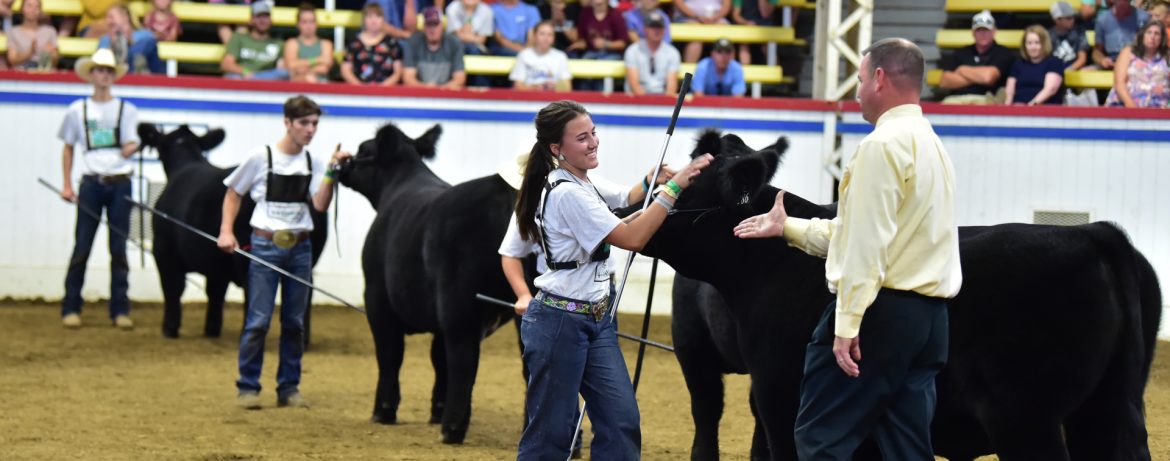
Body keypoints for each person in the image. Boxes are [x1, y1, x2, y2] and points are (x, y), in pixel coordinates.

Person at [734, 38, 962, 459]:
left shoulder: (881, 146)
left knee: (821, 440)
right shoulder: (931, 144)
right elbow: (864, 233)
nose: (856, 91)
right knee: (906, 447)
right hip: (928, 322)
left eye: (859, 79)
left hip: (880, 316)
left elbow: (865, 245)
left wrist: (847, 323)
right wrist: (787, 227)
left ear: (879, 78)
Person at [513, 99, 711, 460]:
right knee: (551, 434)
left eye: (593, 133)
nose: (593, 142)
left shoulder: (581, 182)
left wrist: (657, 188)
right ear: (557, 149)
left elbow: (621, 216)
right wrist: (672, 190)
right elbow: (632, 238)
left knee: (621, 421)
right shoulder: (567, 192)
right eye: (582, 138)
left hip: (596, 319)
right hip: (560, 322)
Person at [217, 95, 351, 410]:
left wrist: (332, 173)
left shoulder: (313, 162)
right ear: (287, 122)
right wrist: (226, 230)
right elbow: (233, 192)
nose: (310, 130)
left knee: (295, 322)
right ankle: (248, 386)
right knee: (258, 320)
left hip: (300, 247)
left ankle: (288, 387)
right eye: (304, 123)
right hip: (265, 245)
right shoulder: (260, 157)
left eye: (315, 123)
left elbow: (320, 204)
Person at [56, 48, 139, 331]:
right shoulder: (76, 110)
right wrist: (67, 184)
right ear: (91, 75)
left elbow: (131, 142)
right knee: (82, 246)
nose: (104, 75)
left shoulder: (127, 110)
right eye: (100, 70)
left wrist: (131, 147)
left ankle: (120, 309)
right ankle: (71, 306)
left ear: (113, 76)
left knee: (119, 249)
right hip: (91, 182)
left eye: (108, 71)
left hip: (120, 182)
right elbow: (68, 148)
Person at [938, 10, 1015, 104]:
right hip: (957, 99)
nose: (983, 34)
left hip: (987, 99)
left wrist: (962, 69)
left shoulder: (1003, 52)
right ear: (973, 32)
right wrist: (978, 77)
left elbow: (988, 77)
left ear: (994, 31)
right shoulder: (961, 52)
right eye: (979, 30)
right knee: (946, 104)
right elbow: (944, 81)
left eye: (986, 30)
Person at [1106, 19, 1170, 108]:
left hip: (1160, 106)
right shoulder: (1128, 52)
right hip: (1127, 104)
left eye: (1157, 34)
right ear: (1142, 35)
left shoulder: (1167, 56)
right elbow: (1119, 83)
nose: (1152, 37)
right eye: (1149, 32)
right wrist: (1130, 105)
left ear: (1162, 38)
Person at [403, 6, 467, 89]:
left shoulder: (454, 43)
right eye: (429, 25)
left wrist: (439, 90)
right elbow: (408, 78)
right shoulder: (413, 43)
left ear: (442, 26)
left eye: (436, 24)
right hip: (420, 94)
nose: (432, 29)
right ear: (424, 27)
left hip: (446, 94)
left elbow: (460, 79)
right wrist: (426, 89)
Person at [221, 1, 287, 80]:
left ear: (271, 20)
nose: (262, 20)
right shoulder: (239, 38)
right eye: (258, 16)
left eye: (266, 16)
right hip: (242, 77)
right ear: (251, 20)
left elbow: (281, 69)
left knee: (284, 74)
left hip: (266, 78)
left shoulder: (278, 43)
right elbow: (226, 64)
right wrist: (245, 72)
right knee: (233, 77)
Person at [341, 2, 403, 86]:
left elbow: (398, 72)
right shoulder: (353, 44)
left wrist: (381, 88)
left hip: (386, 91)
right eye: (369, 16)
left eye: (378, 16)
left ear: (384, 19)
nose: (374, 21)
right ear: (364, 19)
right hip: (358, 91)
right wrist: (360, 88)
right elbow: (345, 70)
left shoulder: (392, 44)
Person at [623, 11, 680, 96]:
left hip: (662, 98)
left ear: (664, 30)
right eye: (652, 27)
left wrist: (663, 102)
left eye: (659, 27)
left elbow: (671, 87)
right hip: (637, 100)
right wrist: (648, 101)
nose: (656, 30)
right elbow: (634, 85)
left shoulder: (672, 52)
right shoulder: (633, 51)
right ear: (644, 29)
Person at [1005, 25, 1065, 105]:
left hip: (1045, 108)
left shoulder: (1054, 62)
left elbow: (1050, 89)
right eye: (1029, 43)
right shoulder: (1018, 64)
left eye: (1037, 43)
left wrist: (1031, 106)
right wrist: (1007, 108)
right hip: (1018, 107)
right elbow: (1010, 92)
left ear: (1044, 44)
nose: (1033, 47)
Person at [510, 21, 573, 91]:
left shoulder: (560, 56)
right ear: (534, 36)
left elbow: (567, 87)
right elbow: (517, 86)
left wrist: (554, 87)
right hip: (529, 96)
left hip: (553, 96)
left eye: (550, 35)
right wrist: (534, 88)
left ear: (554, 38)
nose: (546, 38)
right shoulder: (524, 55)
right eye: (542, 34)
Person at [1092, 0, 1150, 70]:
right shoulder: (1103, 19)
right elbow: (1097, 51)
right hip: (1112, 64)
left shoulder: (1144, 18)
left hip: (1138, 64)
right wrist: (1102, 60)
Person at [284, 3, 334, 83]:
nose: (308, 26)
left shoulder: (326, 44)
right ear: (298, 24)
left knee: (310, 78)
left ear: (317, 23)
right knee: (309, 78)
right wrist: (318, 60)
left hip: (322, 85)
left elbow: (325, 68)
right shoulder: (292, 43)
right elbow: (290, 65)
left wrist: (301, 67)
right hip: (298, 85)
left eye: (312, 21)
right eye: (304, 22)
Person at [6, 0, 59, 71]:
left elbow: (55, 62)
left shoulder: (50, 31)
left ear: (40, 11)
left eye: (36, 7)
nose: (33, 10)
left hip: (43, 71)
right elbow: (12, 60)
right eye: (29, 6)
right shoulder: (13, 32)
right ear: (22, 9)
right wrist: (30, 53)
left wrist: (51, 54)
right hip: (22, 71)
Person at [1049, 1, 1090, 70]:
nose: (1072, 20)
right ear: (1057, 20)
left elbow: (1082, 59)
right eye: (1068, 18)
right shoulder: (1048, 35)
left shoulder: (1079, 32)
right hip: (1053, 70)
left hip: (1074, 71)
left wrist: (1067, 71)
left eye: (1073, 17)